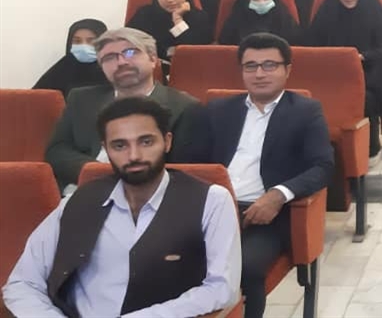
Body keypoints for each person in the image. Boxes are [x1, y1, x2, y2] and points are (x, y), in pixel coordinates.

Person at [3, 97, 241, 317]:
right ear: (105, 149)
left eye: (146, 142)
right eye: (119, 146)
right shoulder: (78, 201)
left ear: (167, 141)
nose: (134, 155)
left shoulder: (211, 200)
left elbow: (222, 288)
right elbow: (23, 282)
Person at [193, 33, 334, 318]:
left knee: (246, 266)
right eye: (251, 66)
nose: (259, 74)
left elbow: (323, 166)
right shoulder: (219, 110)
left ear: (287, 70)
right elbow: (195, 162)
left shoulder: (305, 111)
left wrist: (278, 195)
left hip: (267, 214)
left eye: (269, 65)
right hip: (214, 208)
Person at [45, 28, 203, 192]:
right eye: (110, 57)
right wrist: (97, 172)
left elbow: (181, 169)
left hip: (149, 194)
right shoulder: (81, 99)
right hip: (81, 187)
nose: (121, 62)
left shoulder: (184, 107)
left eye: (130, 52)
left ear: (153, 59)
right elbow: (57, 151)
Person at [306, 0, 382, 156]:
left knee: (366, 98)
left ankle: (370, 147)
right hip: (333, 73)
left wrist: (362, 57)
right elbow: (311, 46)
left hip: (371, 73)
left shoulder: (378, 16)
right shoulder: (327, 14)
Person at [126, 0, 212, 61]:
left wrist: (178, 20)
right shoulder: (144, 14)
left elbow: (193, 51)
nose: (170, 0)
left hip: (189, 66)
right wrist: (128, 59)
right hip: (149, 65)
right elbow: (128, 44)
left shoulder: (199, 17)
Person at [33, 19, 109, 98]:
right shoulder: (61, 69)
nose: (84, 45)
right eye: (77, 41)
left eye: (91, 41)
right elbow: (35, 98)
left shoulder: (112, 71)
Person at [218, 0, 301, 45]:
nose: (261, 2)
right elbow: (225, 48)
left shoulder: (285, 20)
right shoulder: (235, 20)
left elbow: (296, 48)